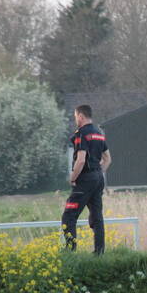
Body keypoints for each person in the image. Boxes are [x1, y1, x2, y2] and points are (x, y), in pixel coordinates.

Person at [61, 105, 112, 254]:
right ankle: (99, 252)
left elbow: (81, 160)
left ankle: (70, 250)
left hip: (85, 179)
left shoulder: (82, 133)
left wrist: (73, 177)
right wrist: (97, 173)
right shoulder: (99, 133)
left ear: (81, 116)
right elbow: (108, 159)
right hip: (98, 178)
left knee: (69, 215)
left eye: (76, 116)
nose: (75, 119)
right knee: (97, 216)